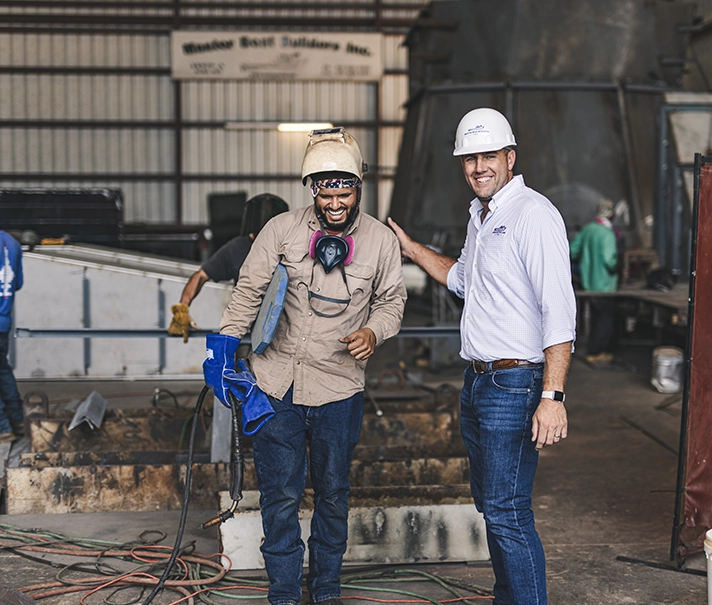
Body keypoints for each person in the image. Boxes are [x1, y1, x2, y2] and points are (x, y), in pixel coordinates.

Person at [204, 127, 406, 605]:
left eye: (344, 188)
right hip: (276, 386)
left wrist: (373, 332)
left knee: (334, 495)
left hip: (339, 390)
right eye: (325, 189)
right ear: (312, 188)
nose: (335, 200)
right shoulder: (280, 230)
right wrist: (222, 348)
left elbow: (393, 301)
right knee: (280, 498)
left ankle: (327, 591)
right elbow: (248, 292)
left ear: (359, 186)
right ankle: (284, 595)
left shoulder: (380, 242)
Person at [387, 108, 576, 605]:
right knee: (492, 507)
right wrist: (412, 249)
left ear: (510, 158)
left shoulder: (534, 215)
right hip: (479, 383)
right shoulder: (480, 215)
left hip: (515, 384)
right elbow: (463, 280)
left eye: (488, 156)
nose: (478, 167)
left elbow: (559, 312)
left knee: (508, 510)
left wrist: (552, 396)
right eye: (469, 158)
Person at [168, 193, 289, 342]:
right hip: (247, 334)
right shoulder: (236, 248)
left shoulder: (290, 248)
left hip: (284, 333)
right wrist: (182, 309)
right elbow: (200, 276)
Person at [569, 198, 618, 365]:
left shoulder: (588, 229)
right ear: (611, 214)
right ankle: (596, 352)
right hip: (604, 285)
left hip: (588, 283)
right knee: (604, 320)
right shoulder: (607, 233)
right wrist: (617, 267)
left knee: (595, 317)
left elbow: (573, 251)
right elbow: (610, 261)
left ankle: (593, 348)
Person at [0, 231, 25, 443]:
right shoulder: (13, 243)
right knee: (2, 369)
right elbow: (17, 283)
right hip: (3, 320)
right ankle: (18, 421)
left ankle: (2, 429)